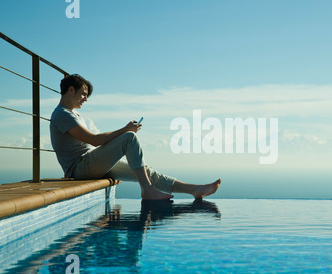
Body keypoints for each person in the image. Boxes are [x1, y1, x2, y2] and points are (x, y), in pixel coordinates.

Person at [50, 74, 221, 201]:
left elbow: (95, 142)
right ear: (70, 90)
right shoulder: (62, 114)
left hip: (89, 165)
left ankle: (195, 189)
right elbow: (94, 140)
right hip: (80, 169)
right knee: (129, 138)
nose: (86, 99)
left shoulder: (73, 114)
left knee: (146, 172)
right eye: (83, 94)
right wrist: (125, 130)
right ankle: (147, 190)